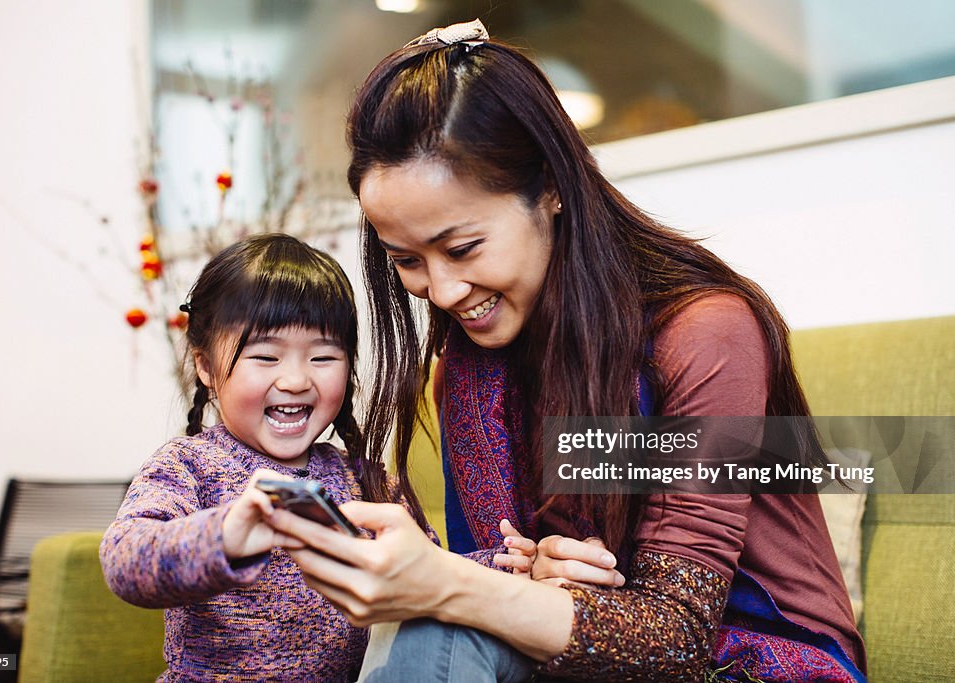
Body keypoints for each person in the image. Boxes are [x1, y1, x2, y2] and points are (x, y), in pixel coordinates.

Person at [270, 19, 868, 683]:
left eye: (463, 248)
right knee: (442, 629)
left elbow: (676, 636)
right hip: (581, 655)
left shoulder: (707, 333)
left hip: (752, 660)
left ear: (551, 188)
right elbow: (501, 570)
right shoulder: (468, 368)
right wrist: (530, 576)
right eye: (407, 260)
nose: (440, 290)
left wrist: (465, 585)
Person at [101, 234, 382, 682]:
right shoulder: (189, 466)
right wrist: (223, 536)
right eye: (266, 356)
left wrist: (506, 564)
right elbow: (124, 559)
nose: (294, 379)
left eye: (323, 356)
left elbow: (424, 564)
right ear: (207, 367)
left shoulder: (358, 474)